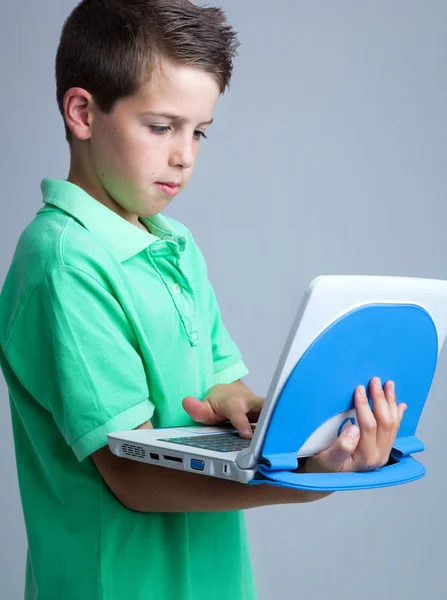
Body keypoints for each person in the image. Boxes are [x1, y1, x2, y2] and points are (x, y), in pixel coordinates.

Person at [0, 1, 406, 599]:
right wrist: (311, 479)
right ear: (83, 112)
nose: (185, 155)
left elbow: (222, 388)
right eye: (162, 127)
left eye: (200, 131)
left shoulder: (175, 245)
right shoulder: (63, 260)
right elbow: (133, 478)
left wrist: (281, 425)